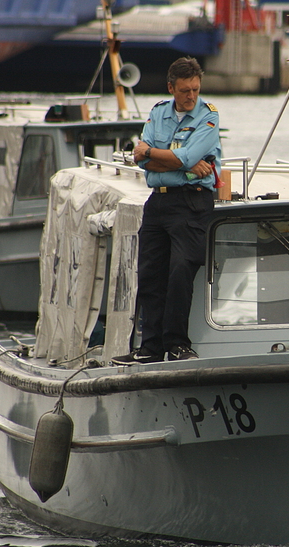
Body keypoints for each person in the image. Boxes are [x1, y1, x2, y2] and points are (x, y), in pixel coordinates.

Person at [113, 57, 221, 365]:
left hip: (191, 202)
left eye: (195, 90)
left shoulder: (208, 116)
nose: (191, 96)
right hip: (158, 202)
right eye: (185, 90)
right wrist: (169, 159)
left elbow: (187, 156)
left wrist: (157, 155)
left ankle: (177, 344)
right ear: (171, 88)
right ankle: (150, 347)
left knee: (179, 272)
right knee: (150, 275)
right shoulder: (158, 113)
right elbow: (143, 161)